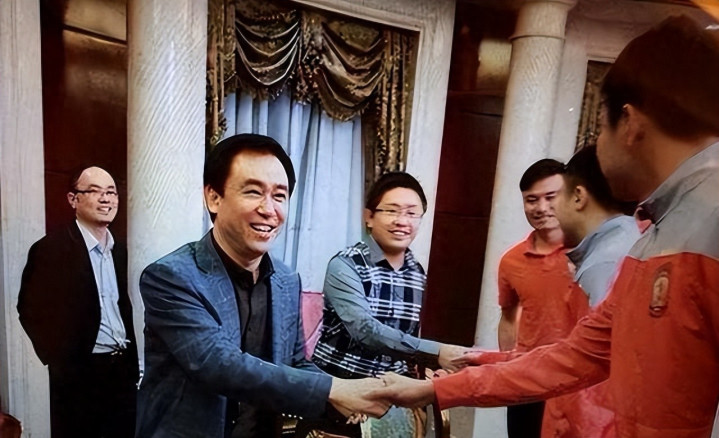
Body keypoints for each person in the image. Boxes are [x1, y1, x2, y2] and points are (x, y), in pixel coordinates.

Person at [371, 15, 719, 438]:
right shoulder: (653, 236)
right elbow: (572, 357)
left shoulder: (696, 227)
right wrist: (439, 387)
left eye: (599, 128)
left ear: (628, 124)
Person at [136, 134, 388, 438]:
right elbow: (218, 365)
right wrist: (334, 389)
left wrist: (347, 395)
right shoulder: (170, 276)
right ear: (213, 198)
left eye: (279, 196)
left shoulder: (286, 280)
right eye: (253, 192)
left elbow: (295, 363)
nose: (269, 209)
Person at [311, 172, 468, 436]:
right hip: (339, 389)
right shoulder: (346, 265)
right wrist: (436, 351)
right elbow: (365, 330)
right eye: (392, 211)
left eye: (412, 213)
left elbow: (408, 342)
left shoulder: (417, 273)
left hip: (394, 396)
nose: (402, 221)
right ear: (369, 217)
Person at [17, 166, 139, 438]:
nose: (106, 199)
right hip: (80, 376)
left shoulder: (119, 250)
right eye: (95, 191)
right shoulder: (51, 249)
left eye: (111, 192)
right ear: (73, 199)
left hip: (121, 371)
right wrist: (60, 359)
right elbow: (29, 309)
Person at [494, 159, 581, 438]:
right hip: (529, 379)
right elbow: (508, 318)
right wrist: (508, 367)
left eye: (550, 197)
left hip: (579, 380)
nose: (541, 208)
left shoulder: (590, 250)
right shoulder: (511, 260)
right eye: (532, 200)